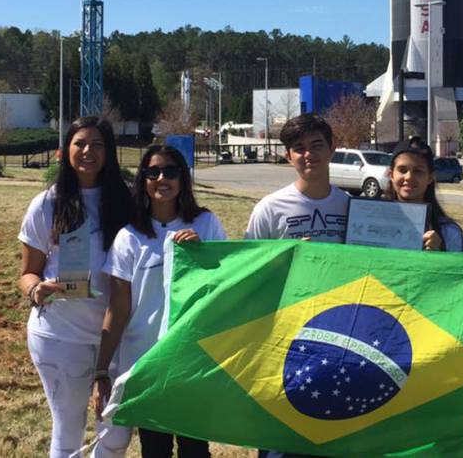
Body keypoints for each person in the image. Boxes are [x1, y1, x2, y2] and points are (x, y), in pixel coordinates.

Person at [92, 145, 227, 457]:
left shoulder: (206, 224)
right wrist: (101, 372)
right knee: (155, 449)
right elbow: (119, 308)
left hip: (191, 358)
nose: (162, 178)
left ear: (183, 179)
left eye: (170, 171)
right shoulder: (129, 237)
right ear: (143, 181)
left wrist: (203, 254)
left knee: (195, 449)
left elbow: (225, 283)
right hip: (146, 362)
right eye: (153, 172)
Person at [18, 116, 132, 458]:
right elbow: (28, 273)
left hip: (117, 337)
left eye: (97, 145)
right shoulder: (46, 204)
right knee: (67, 430)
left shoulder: (128, 202)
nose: (88, 151)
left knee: (116, 434)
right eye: (80, 143)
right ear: (64, 150)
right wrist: (36, 290)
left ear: (109, 153)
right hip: (59, 337)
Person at [244, 113, 348, 458]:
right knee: (281, 437)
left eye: (316, 145)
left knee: (334, 432)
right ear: (287, 155)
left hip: (343, 337)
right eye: (298, 148)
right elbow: (250, 275)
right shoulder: (269, 209)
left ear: (332, 148)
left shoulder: (354, 207)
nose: (309, 155)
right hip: (287, 341)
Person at [384, 136, 463, 251]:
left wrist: (441, 252)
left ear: (430, 177)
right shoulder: (368, 221)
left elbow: (457, 269)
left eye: (418, 171)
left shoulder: (449, 232)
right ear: (391, 175)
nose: (409, 177)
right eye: (402, 170)